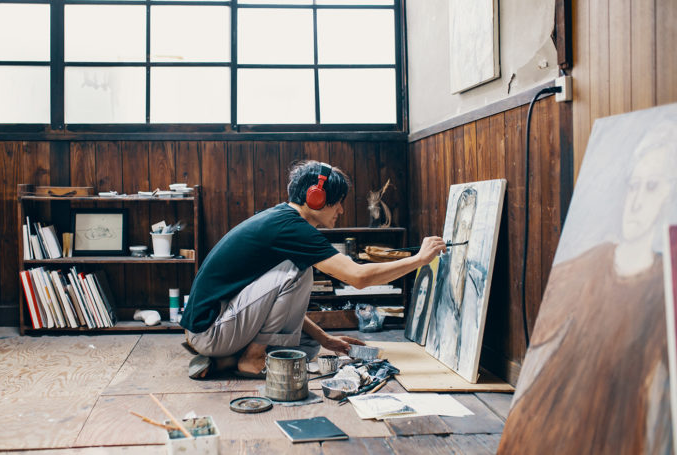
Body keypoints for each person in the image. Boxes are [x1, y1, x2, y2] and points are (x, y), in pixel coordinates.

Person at [498, 119, 676, 454]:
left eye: (652, 187)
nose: (637, 201)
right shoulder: (592, 262)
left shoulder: (662, 283)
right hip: (548, 422)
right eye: (633, 185)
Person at [181, 160, 447, 379]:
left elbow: (274, 300)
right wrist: (419, 260)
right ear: (316, 197)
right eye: (338, 201)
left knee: (307, 347)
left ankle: (225, 362)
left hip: (214, 327)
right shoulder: (293, 228)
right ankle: (251, 358)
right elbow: (358, 278)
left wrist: (325, 339)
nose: (342, 210)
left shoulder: (282, 220)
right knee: (298, 271)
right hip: (211, 331)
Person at [425, 186, 485, 373]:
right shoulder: (442, 277)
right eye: (462, 228)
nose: (464, 236)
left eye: (469, 228)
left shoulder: (477, 282)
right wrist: (418, 260)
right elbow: (359, 276)